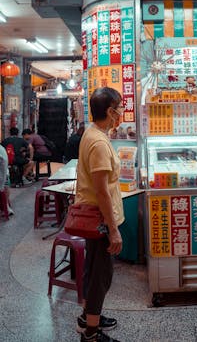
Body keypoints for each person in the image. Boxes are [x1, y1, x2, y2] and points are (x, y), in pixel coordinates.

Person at [75, 87, 124, 342]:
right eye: (120, 107)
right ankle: (92, 333)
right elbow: (102, 191)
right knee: (100, 275)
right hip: (101, 220)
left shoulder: (93, 134)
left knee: (94, 269)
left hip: (96, 217)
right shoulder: (98, 142)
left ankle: (88, 315)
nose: (122, 112)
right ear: (109, 111)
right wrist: (113, 228)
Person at [0, 144, 14, 215]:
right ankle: (6, 206)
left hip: (2, 178)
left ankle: (5, 206)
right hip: (4, 176)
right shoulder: (1, 148)